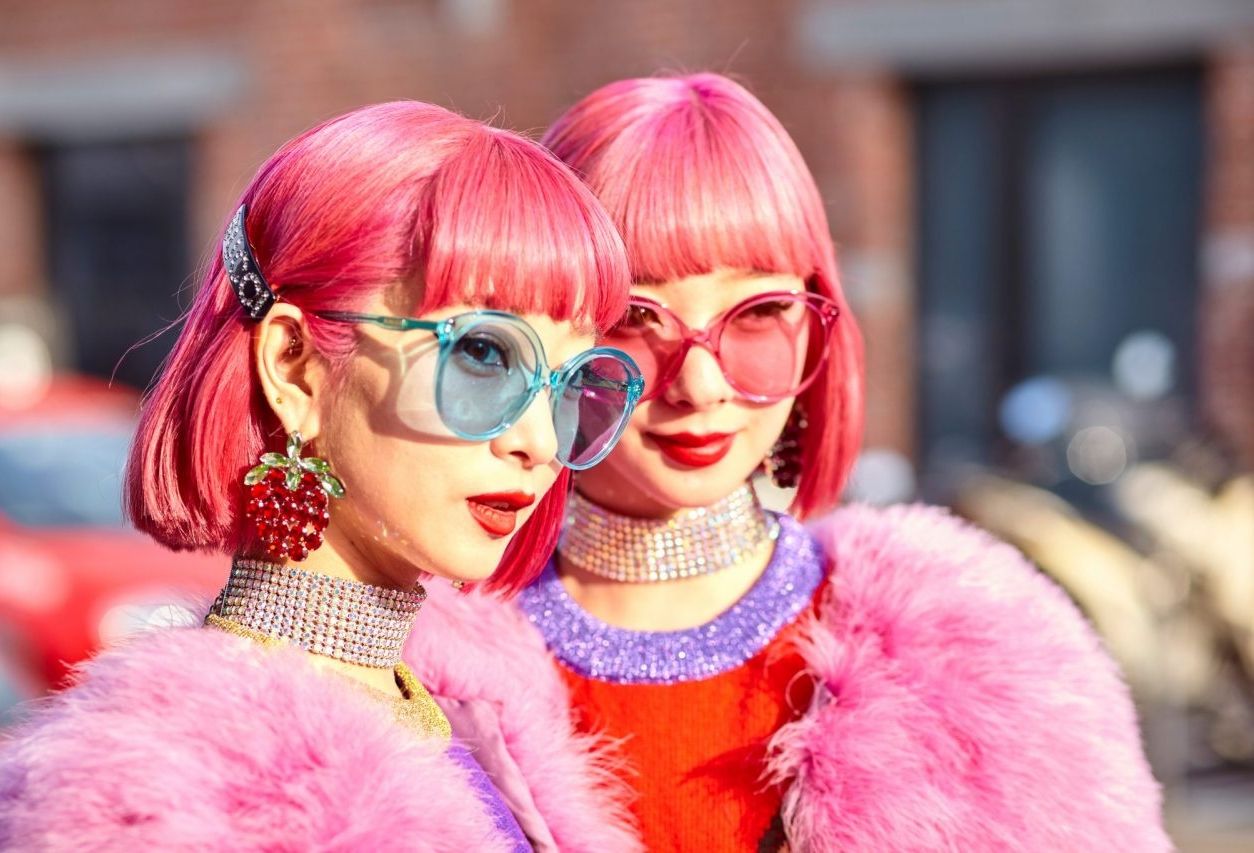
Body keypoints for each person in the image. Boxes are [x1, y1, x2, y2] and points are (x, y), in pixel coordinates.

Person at [407, 74, 1171, 851]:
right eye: (636, 317)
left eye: (761, 312)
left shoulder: (988, 655)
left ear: (815, 325)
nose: (699, 383)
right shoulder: (410, 673)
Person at [0, 100, 645, 852]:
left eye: (570, 381)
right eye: (484, 354)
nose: (538, 441)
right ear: (294, 368)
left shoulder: (491, 713)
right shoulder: (162, 806)